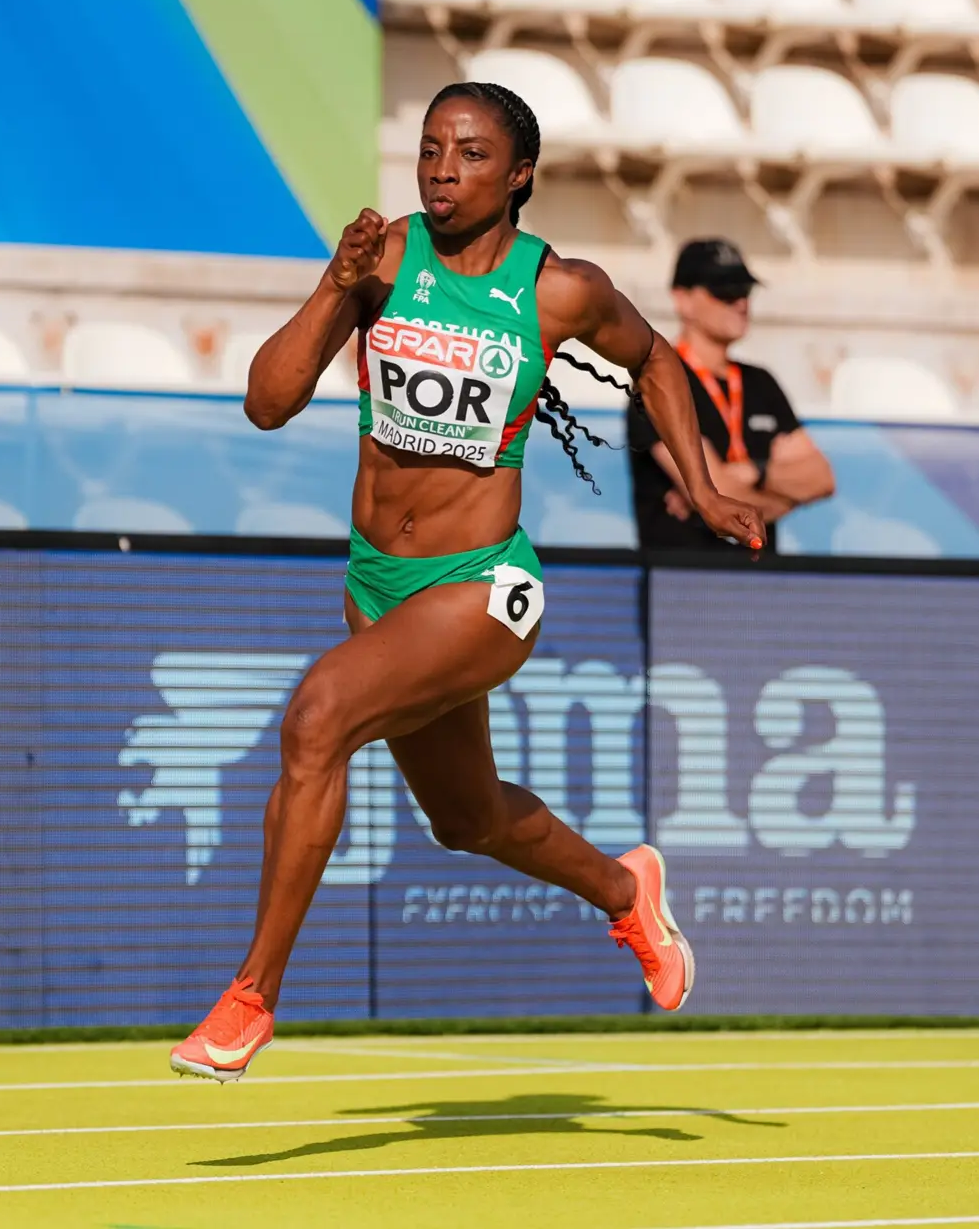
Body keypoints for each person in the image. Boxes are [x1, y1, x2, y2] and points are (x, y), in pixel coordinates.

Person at [170, 83, 765, 1083]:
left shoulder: (556, 290)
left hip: (486, 586)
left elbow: (659, 362)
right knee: (467, 818)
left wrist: (702, 487)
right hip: (378, 583)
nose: (443, 168)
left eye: (471, 153)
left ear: (518, 173)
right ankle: (625, 888)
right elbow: (266, 403)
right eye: (431, 147)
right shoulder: (384, 261)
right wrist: (334, 283)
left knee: (317, 716)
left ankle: (250, 998)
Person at [627, 239, 835, 553]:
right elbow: (717, 494)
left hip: (757, 582)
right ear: (682, 299)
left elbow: (822, 478)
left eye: (745, 291)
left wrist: (756, 471)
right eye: (724, 292)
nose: (741, 303)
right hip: (681, 584)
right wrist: (790, 496)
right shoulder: (657, 382)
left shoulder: (760, 382)